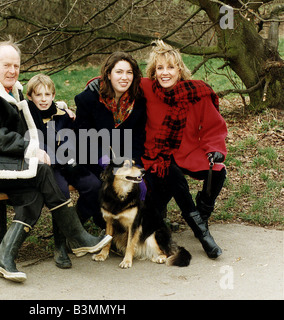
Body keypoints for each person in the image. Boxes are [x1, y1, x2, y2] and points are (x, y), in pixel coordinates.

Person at [0, 38, 111, 282]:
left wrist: (58, 107)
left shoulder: (4, 88)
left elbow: (34, 111)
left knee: (32, 196)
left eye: (16, 65)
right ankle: (77, 236)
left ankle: (4, 260)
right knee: (43, 169)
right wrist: (30, 148)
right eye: (7, 65)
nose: (12, 70)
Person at [140, 40, 227, 259]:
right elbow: (119, 77)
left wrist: (214, 148)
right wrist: (96, 82)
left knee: (218, 170)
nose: (165, 73)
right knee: (172, 176)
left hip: (188, 150)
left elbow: (212, 126)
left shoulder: (196, 92)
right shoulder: (147, 88)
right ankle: (202, 233)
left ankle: (203, 214)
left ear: (180, 69)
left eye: (170, 67)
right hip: (158, 153)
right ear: (153, 71)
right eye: (160, 68)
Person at [26, 73, 103, 268]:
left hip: (68, 163)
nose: (43, 99)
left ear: (53, 95)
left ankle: (75, 229)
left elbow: (73, 141)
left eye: (47, 94)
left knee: (94, 186)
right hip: (48, 168)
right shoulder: (27, 117)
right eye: (38, 95)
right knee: (60, 192)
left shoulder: (63, 115)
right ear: (30, 97)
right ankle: (60, 245)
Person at [74, 51, 147, 227]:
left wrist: (131, 161)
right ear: (108, 74)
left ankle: (128, 230)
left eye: (129, 72)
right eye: (119, 72)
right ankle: (75, 227)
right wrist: (107, 162)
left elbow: (137, 138)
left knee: (141, 186)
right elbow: (82, 138)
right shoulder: (89, 99)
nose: (124, 77)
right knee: (104, 184)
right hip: (91, 156)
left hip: (123, 158)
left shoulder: (138, 102)